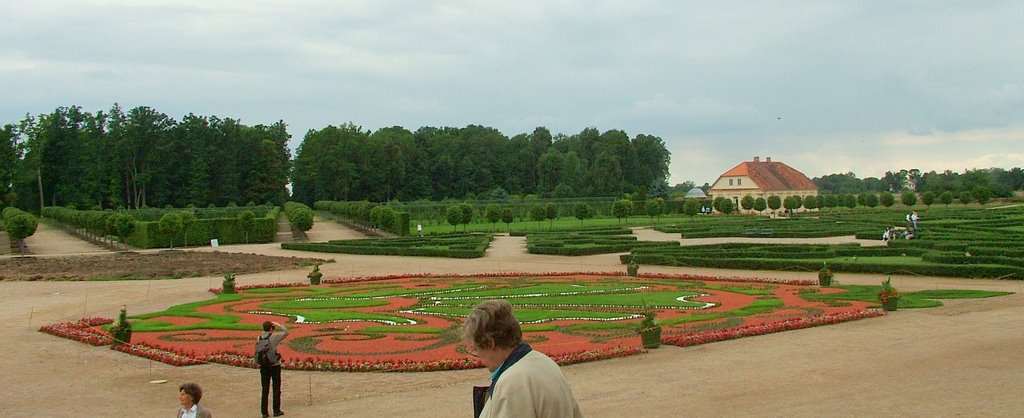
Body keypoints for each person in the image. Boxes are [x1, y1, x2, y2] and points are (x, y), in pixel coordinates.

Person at [463, 300, 583, 418]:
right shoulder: (545, 362)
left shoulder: (511, 382)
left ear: (490, 343)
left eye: (477, 350)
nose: (480, 359)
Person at [259, 321, 289, 418]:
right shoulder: (274, 337)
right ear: (272, 328)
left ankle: (264, 412)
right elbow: (286, 332)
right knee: (276, 388)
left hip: (263, 366)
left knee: (265, 389)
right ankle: (276, 410)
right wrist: (279, 325)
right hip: (274, 365)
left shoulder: (259, 338)